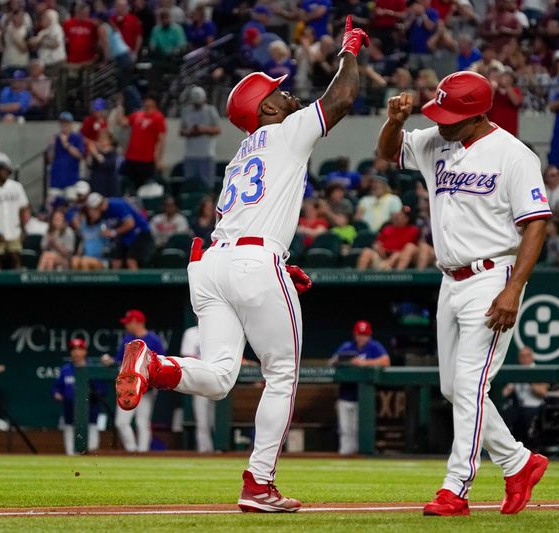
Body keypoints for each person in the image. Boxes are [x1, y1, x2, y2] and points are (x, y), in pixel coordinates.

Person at [112, 17, 368, 513]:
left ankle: (157, 366)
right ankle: (259, 482)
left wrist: (273, 263)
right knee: (283, 376)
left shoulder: (240, 155)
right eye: (278, 92)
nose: (288, 94)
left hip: (212, 265)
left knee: (221, 374)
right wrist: (350, 51)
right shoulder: (286, 130)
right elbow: (342, 98)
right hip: (252, 260)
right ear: (266, 109)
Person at [378, 71, 551, 516]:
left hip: (493, 275)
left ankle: (456, 487)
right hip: (449, 280)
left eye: (453, 115)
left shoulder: (513, 155)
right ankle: (518, 461)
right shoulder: (438, 139)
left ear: (479, 114)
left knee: (472, 385)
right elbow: (387, 153)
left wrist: (514, 289)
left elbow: (536, 223)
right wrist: (395, 122)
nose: (443, 122)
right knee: (455, 388)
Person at [101, 310, 165, 452]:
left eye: (128, 322)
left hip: (146, 389)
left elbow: (162, 363)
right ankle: (132, 451)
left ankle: (143, 452)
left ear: (137, 322)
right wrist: (110, 361)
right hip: (128, 387)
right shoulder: (127, 339)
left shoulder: (153, 340)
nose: (126, 325)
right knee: (121, 422)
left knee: (143, 423)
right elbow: (119, 361)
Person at [328, 320, 390, 455]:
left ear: (369, 335)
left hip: (363, 398)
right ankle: (344, 455)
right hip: (345, 395)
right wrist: (347, 361)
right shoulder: (347, 346)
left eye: (365, 334)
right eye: (360, 334)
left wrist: (364, 363)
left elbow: (386, 361)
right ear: (355, 334)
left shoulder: (374, 346)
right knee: (345, 430)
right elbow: (332, 361)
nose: (362, 337)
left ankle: (359, 456)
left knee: (359, 430)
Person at [53, 338, 106, 455]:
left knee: (91, 438)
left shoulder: (93, 368)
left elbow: (101, 390)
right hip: (70, 410)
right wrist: (57, 394)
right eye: (73, 349)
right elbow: (57, 387)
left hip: (90, 410)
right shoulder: (66, 369)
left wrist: (93, 393)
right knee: (69, 432)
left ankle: (91, 458)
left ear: (85, 351)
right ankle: (71, 459)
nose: (76, 352)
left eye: (79, 349)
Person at [85, 192, 155, 270]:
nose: (101, 207)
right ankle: (115, 281)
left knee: (131, 261)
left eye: (101, 204)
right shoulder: (101, 212)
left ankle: (136, 281)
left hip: (139, 232)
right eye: (97, 207)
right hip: (125, 235)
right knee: (116, 260)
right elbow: (94, 221)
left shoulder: (117, 204)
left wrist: (113, 232)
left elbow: (130, 224)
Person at [501, 346, 549, 447]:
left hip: (536, 408)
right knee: (508, 413)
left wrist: (530, 379)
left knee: (528, 416)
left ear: (532, 357)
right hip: (520, 408)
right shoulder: (517, 372)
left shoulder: (539, 371)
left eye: (527, 356)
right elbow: (505, 392)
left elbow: (543, 392)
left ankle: (533, 447)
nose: (525, 359)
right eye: (522, 356)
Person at [118, 94, 167, 192]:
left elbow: (161, 140)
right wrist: (120, 107)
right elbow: (123, 122)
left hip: (146, 159)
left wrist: (158, 158)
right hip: (131, 157)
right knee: (126, 182)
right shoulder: (137, 115)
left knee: (142, 186)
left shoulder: (158, 118)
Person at [180, 323, 215, 453]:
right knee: (202, 419)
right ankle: (204, 450)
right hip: (200, 378)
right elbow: (187, 356)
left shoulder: (221, 330)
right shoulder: (191, 333)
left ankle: (219, 449)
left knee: (215, 419)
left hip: (219, 377)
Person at [180, 87, 221, 189]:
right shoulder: (186, 111)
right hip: (190, 154)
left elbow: (217, 130)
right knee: (190, 184)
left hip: (206, 154)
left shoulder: (211, 110)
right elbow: (182, 131)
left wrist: (203, 130)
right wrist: (190, 132)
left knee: (207, 185)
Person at [49, 112, 85, 192]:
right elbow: (50, 159)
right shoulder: (56, 138)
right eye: (62, 122)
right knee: (54, 201)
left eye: (67, 122)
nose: (64, 125)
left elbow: (80, 155)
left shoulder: (77, 137)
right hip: (56, 180)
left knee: (71, 200)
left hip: (71, 180)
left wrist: (66, 145)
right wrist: (52, 146)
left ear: (71, 123)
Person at [87, 130, 120, 197]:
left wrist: (95, 153)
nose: (101, 140)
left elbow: (108, 165)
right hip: (96, 184)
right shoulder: (97, 152)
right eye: (100, 138)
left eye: (103, 138)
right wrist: (91, 154)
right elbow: (90, 165)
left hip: (108, 186)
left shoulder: (113, 153)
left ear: (110, 141)